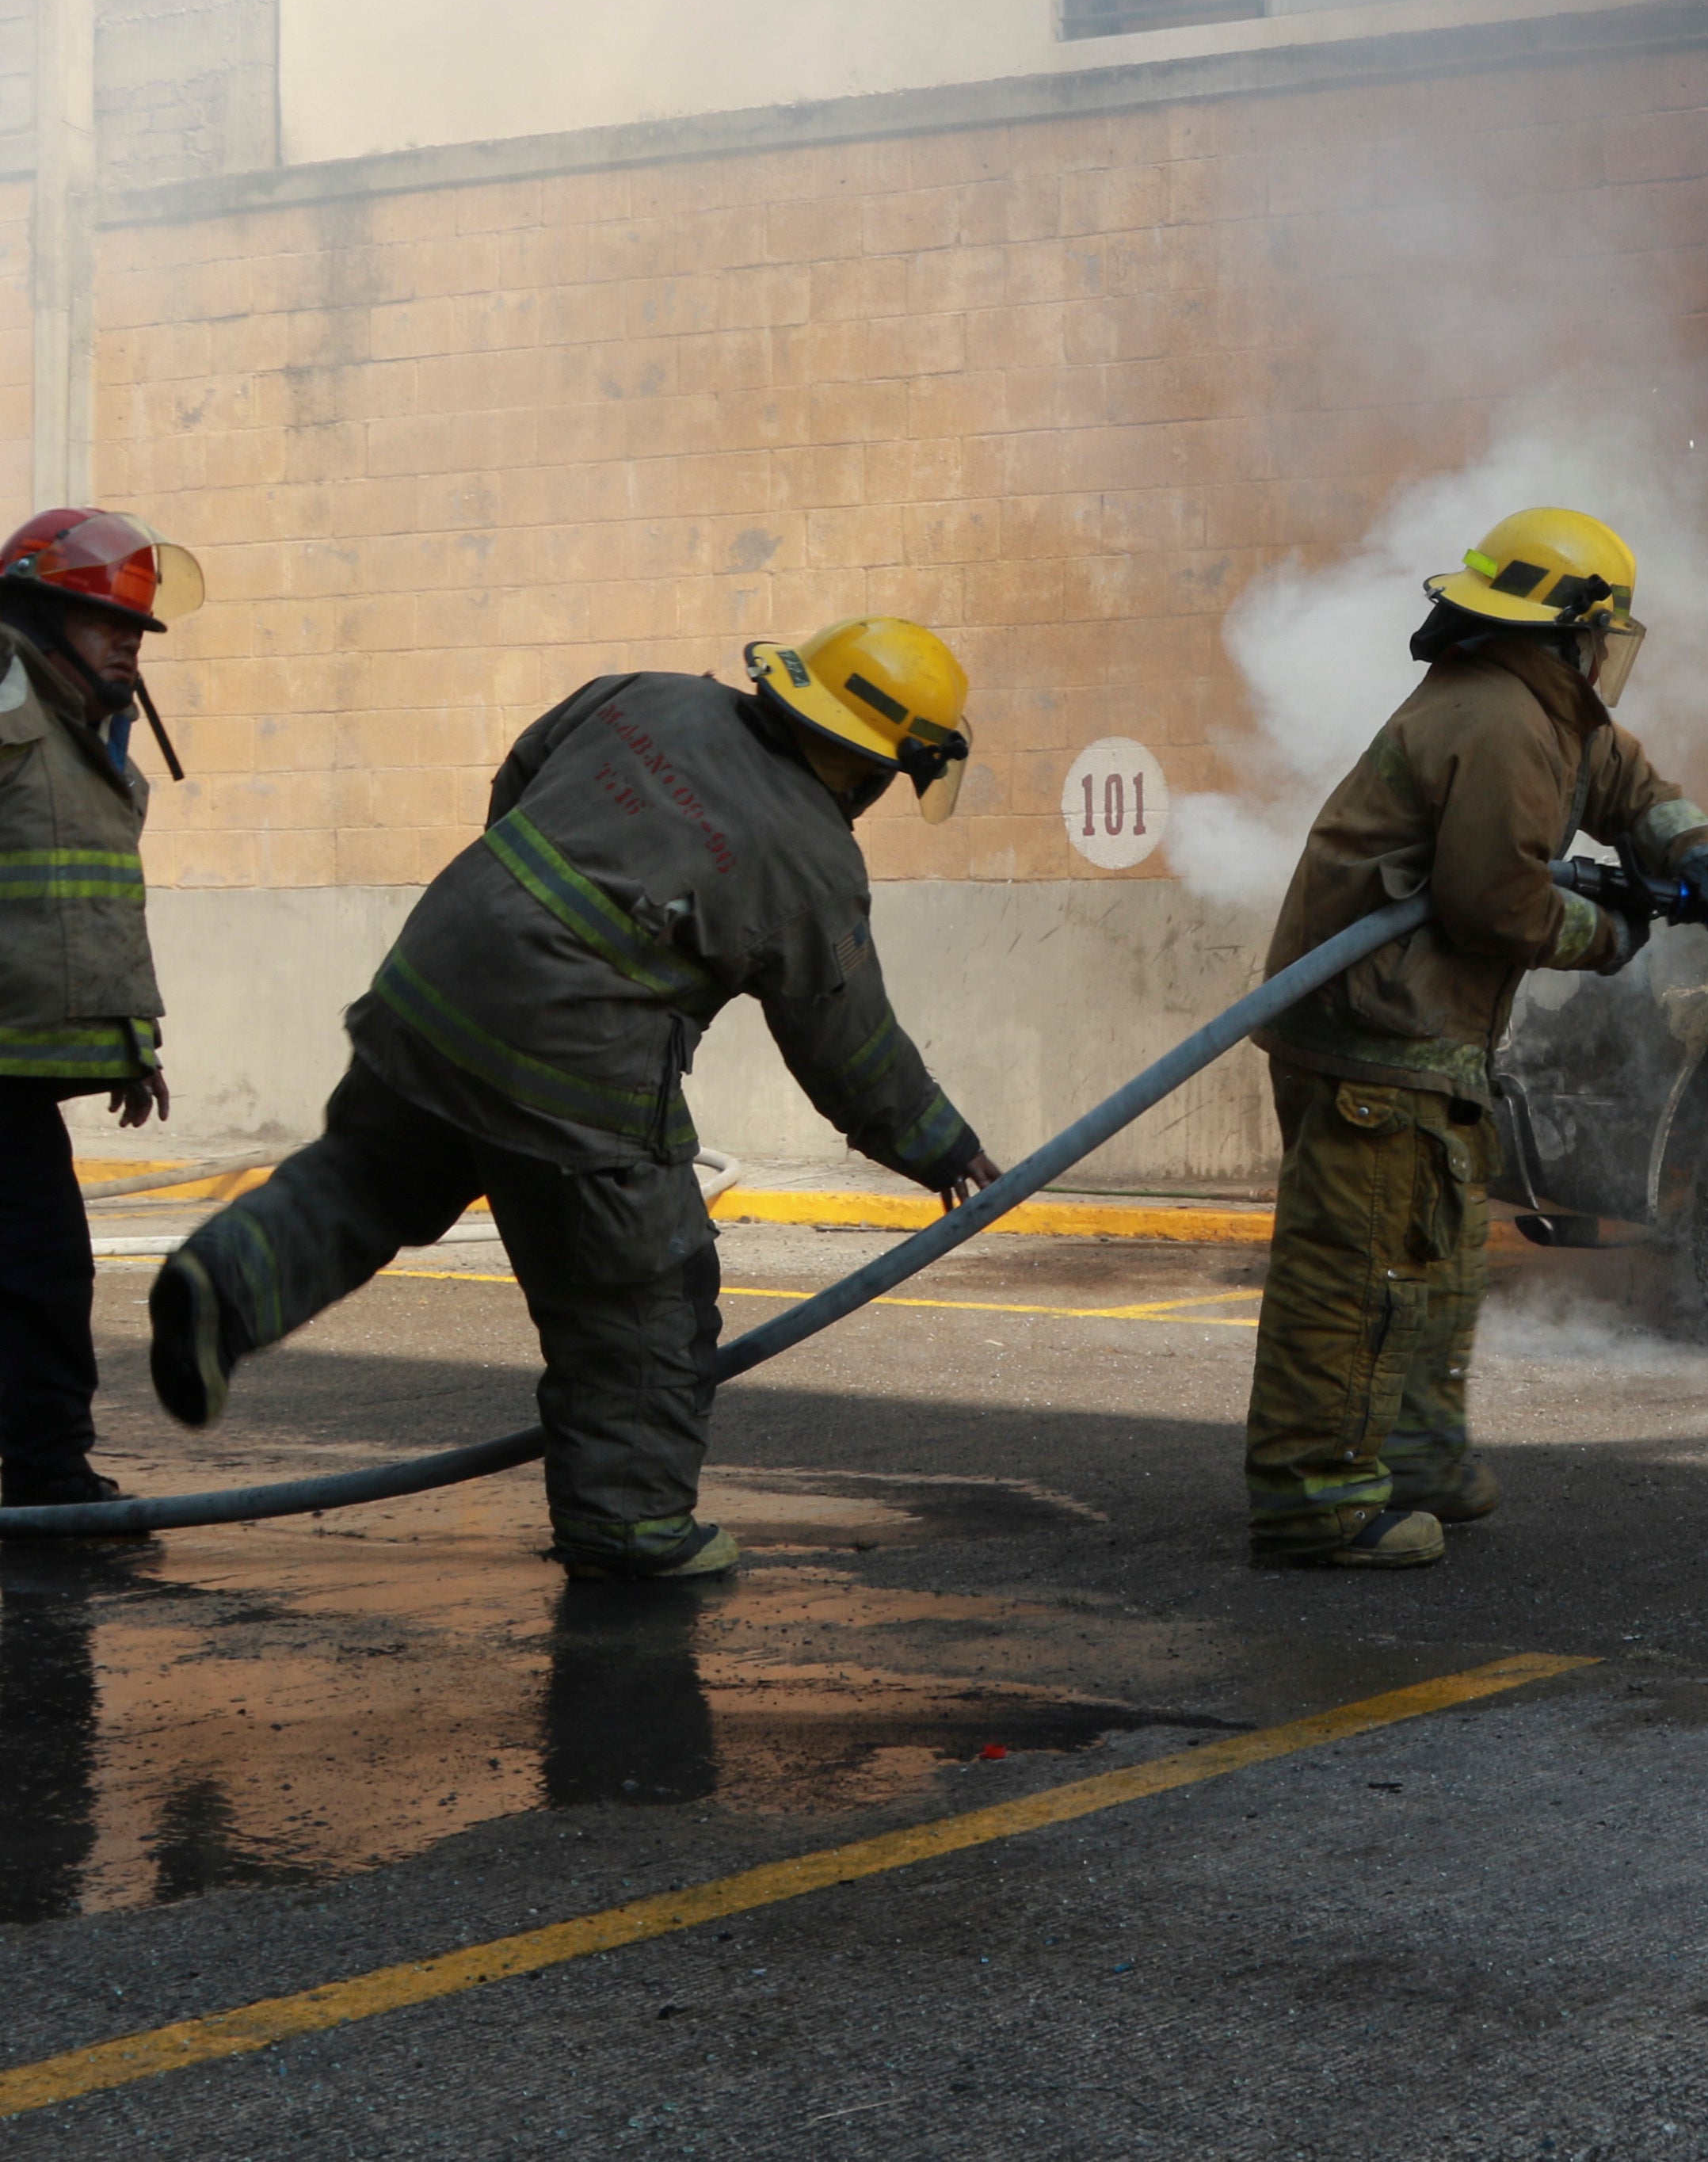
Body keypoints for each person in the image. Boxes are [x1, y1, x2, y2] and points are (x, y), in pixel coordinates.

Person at [147, 620, 1005, 1580]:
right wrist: (942, 1145)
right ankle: (629, 1530)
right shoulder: (813, 857)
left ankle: (225, 1280)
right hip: (574, 1065)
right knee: (641, 1298)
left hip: (435, 981)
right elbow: (845, 1045)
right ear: (881, 764)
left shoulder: (646, 695)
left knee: (367, 1177)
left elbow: (521, 774)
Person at [1245, 509, 1708, 1569]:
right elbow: (1492, 902)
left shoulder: (1543, 713)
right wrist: (1612, 929)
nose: (1608, 654)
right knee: (1359, 1268)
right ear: (1567, 630)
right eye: (1601, 632)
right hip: (1375, 1029)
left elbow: (1629, 787)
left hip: (1418, 1031)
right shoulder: (1503, 721)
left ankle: (1417, 1459)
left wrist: (1697, 850)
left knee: (1429, 1261)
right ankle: (1315, 1495)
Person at [0, 511, 198, 1510]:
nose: (127, 641)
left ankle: (43, 1471)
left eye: (135, 628)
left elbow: (73, 906)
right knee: (38, 1270)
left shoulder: (75, 738)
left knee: (40, 1273)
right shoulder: (7, 699)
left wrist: (131, 1041)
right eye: (99, 619)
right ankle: (44, 1476)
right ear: (36, 614)